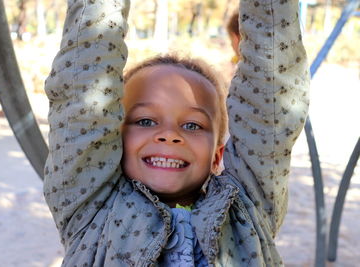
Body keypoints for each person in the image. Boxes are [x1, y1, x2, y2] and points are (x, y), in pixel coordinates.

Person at [43, 0, 309, 266]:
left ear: (218, 156)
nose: (169, 135)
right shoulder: (91, 209)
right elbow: (82, 90)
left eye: (192, 125)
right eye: (145, 121)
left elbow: (271, 99)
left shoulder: (247, 209)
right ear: (112, 144)